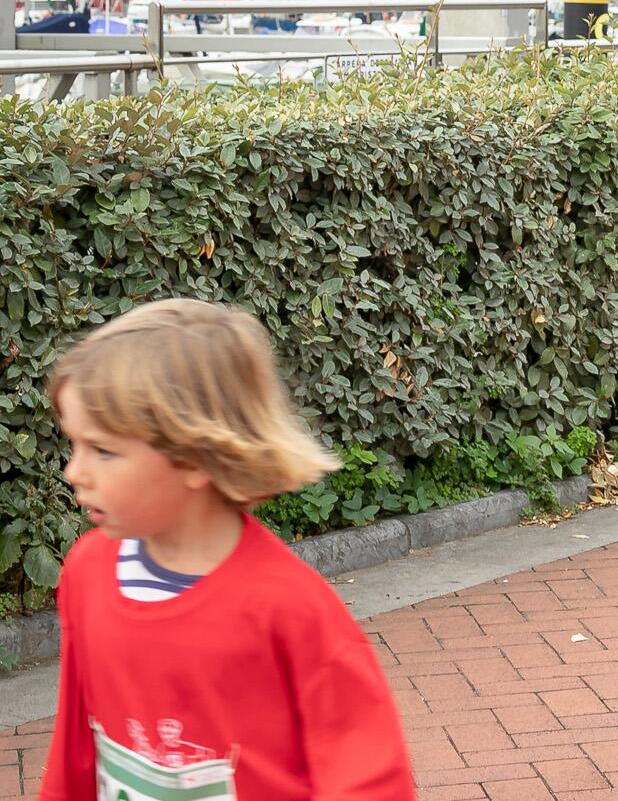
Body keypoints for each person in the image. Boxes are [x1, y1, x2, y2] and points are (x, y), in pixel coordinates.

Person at [40, 300, 413, 801]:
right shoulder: (88, 571)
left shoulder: (290, 608)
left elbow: (367, 775)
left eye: (104, 450)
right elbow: (76, 743)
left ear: (196, 457)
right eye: (75, 445)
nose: (75, 471)